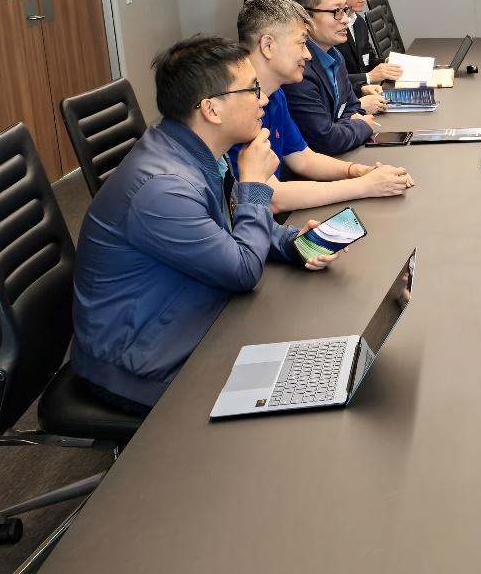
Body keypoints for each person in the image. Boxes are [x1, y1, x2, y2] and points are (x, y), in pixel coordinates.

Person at [70, 36, 346, 413]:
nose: (263, 100)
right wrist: (255, 184)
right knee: (301, 391)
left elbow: (226, 226)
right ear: (212, 109)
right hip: (140, 364)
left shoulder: (195, 149)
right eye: (252, 90)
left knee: (310, 342)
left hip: (189, 314)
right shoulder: (163, 188)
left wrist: (292, 241)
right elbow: (243, 270)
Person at [234, 0, 414, 211]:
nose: (308, 55)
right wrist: (365, 186)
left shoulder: (275, 95)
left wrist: (360, 171)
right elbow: (272, 198)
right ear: (267, 45)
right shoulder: (238, 108)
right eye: (302, 43)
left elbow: (303, 159)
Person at [282, 0, 385, 156]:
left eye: (345, 10)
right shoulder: (298, 71)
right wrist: (361, 126)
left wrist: (343, 125)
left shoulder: (335, 56)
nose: (345, 19)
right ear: (304, 17)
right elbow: (326, 140)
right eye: (336, 12)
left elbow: (352, 108)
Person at [326, 0, 402, 91]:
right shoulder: (328, 30)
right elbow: (328, 79)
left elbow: (366, 60)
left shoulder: (358, 22)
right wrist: (368, 77)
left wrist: (388, 63)